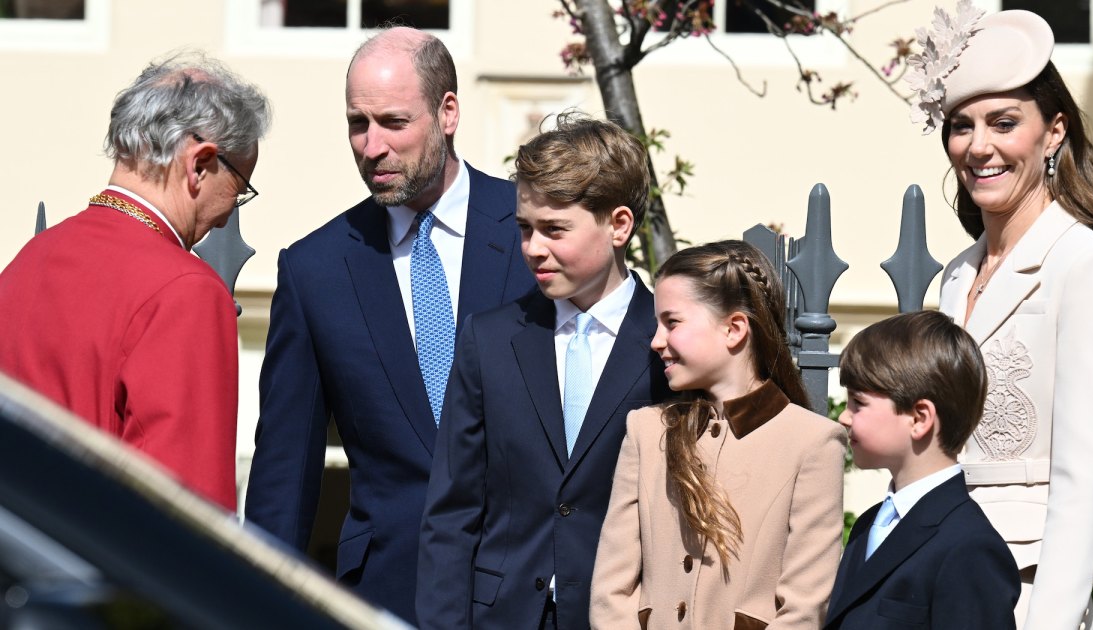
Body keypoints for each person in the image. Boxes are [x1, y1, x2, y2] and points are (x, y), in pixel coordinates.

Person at [243, 27, 534, 623]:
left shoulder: (536, 235)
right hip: (386, 594)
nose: (372, 146)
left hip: (529, 595)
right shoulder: (316, 269)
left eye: (394, 122)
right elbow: (285, 470)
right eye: (358, 123)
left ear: (448, 112)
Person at [907, 5, 1093, 628]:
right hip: (938, 584)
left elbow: (1085, 481)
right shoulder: (957, 274)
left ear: (1054, 133)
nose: (979, 146)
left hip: (1026, 594)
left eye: (1003, 123)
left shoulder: (1087, 266)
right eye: (961, 126)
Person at [418, 113, 669, 630]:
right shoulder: (489, 339)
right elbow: (452, 511)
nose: (533, 248)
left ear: (619, 225)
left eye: (555, 229)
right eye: (525, 228)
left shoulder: (668, 344)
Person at [0, 53, 270, 511]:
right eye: (240, 186)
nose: (230, 212)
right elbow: (187, 510)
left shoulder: (28, 262)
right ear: (200, 164)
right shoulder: (187, 291)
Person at [590, 240, 846, 630]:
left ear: (734, 329)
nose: (656, 341)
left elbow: (805, 608)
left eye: (672, 322)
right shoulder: (646, 431)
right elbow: (611, 591)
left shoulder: (812, 443)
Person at [825, 311, 1019, 630]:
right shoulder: (866, 526)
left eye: (858, 402)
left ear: (919, 418)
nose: (844, 417)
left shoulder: (969, 548)